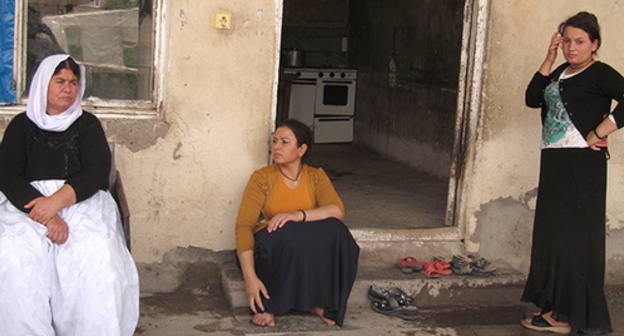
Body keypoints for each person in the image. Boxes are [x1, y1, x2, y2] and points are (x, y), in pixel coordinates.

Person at [0, 54, 139, 335]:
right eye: (60, 81)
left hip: (81, 203)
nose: (68, 88)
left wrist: (56, 204)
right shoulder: (21, 126)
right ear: (43, 84)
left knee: (96, 256)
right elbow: (7, 175)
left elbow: (97, 173)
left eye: (74, 82)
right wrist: (48, 217)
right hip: (27, 206)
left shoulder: (87, 125)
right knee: (15, 257)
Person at [521, 12, 624, 335]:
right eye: (566, 40)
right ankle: (554, 306)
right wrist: (549, 59)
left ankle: (568, 315)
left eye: (580, 41)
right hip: (555, 165)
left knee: (574, 239)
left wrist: (601, 130)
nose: (572, 47)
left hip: (582, 168)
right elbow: (531, 99)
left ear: (594, 44)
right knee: (553, 237)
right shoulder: (560, 72)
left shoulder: (600, 73)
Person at [235, 119, 360, 327]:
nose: (276, 147)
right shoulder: (262, 178)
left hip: (300, 246)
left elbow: (337, 210)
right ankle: (270, 304)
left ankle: (316, 302)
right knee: (287, 235)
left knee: (337, 231)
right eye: (275, 141)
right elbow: (243, 226)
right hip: (268, 248)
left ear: (301, 149)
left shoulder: (315, 176)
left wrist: (296, 215)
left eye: (284, 142)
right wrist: (249, 278)